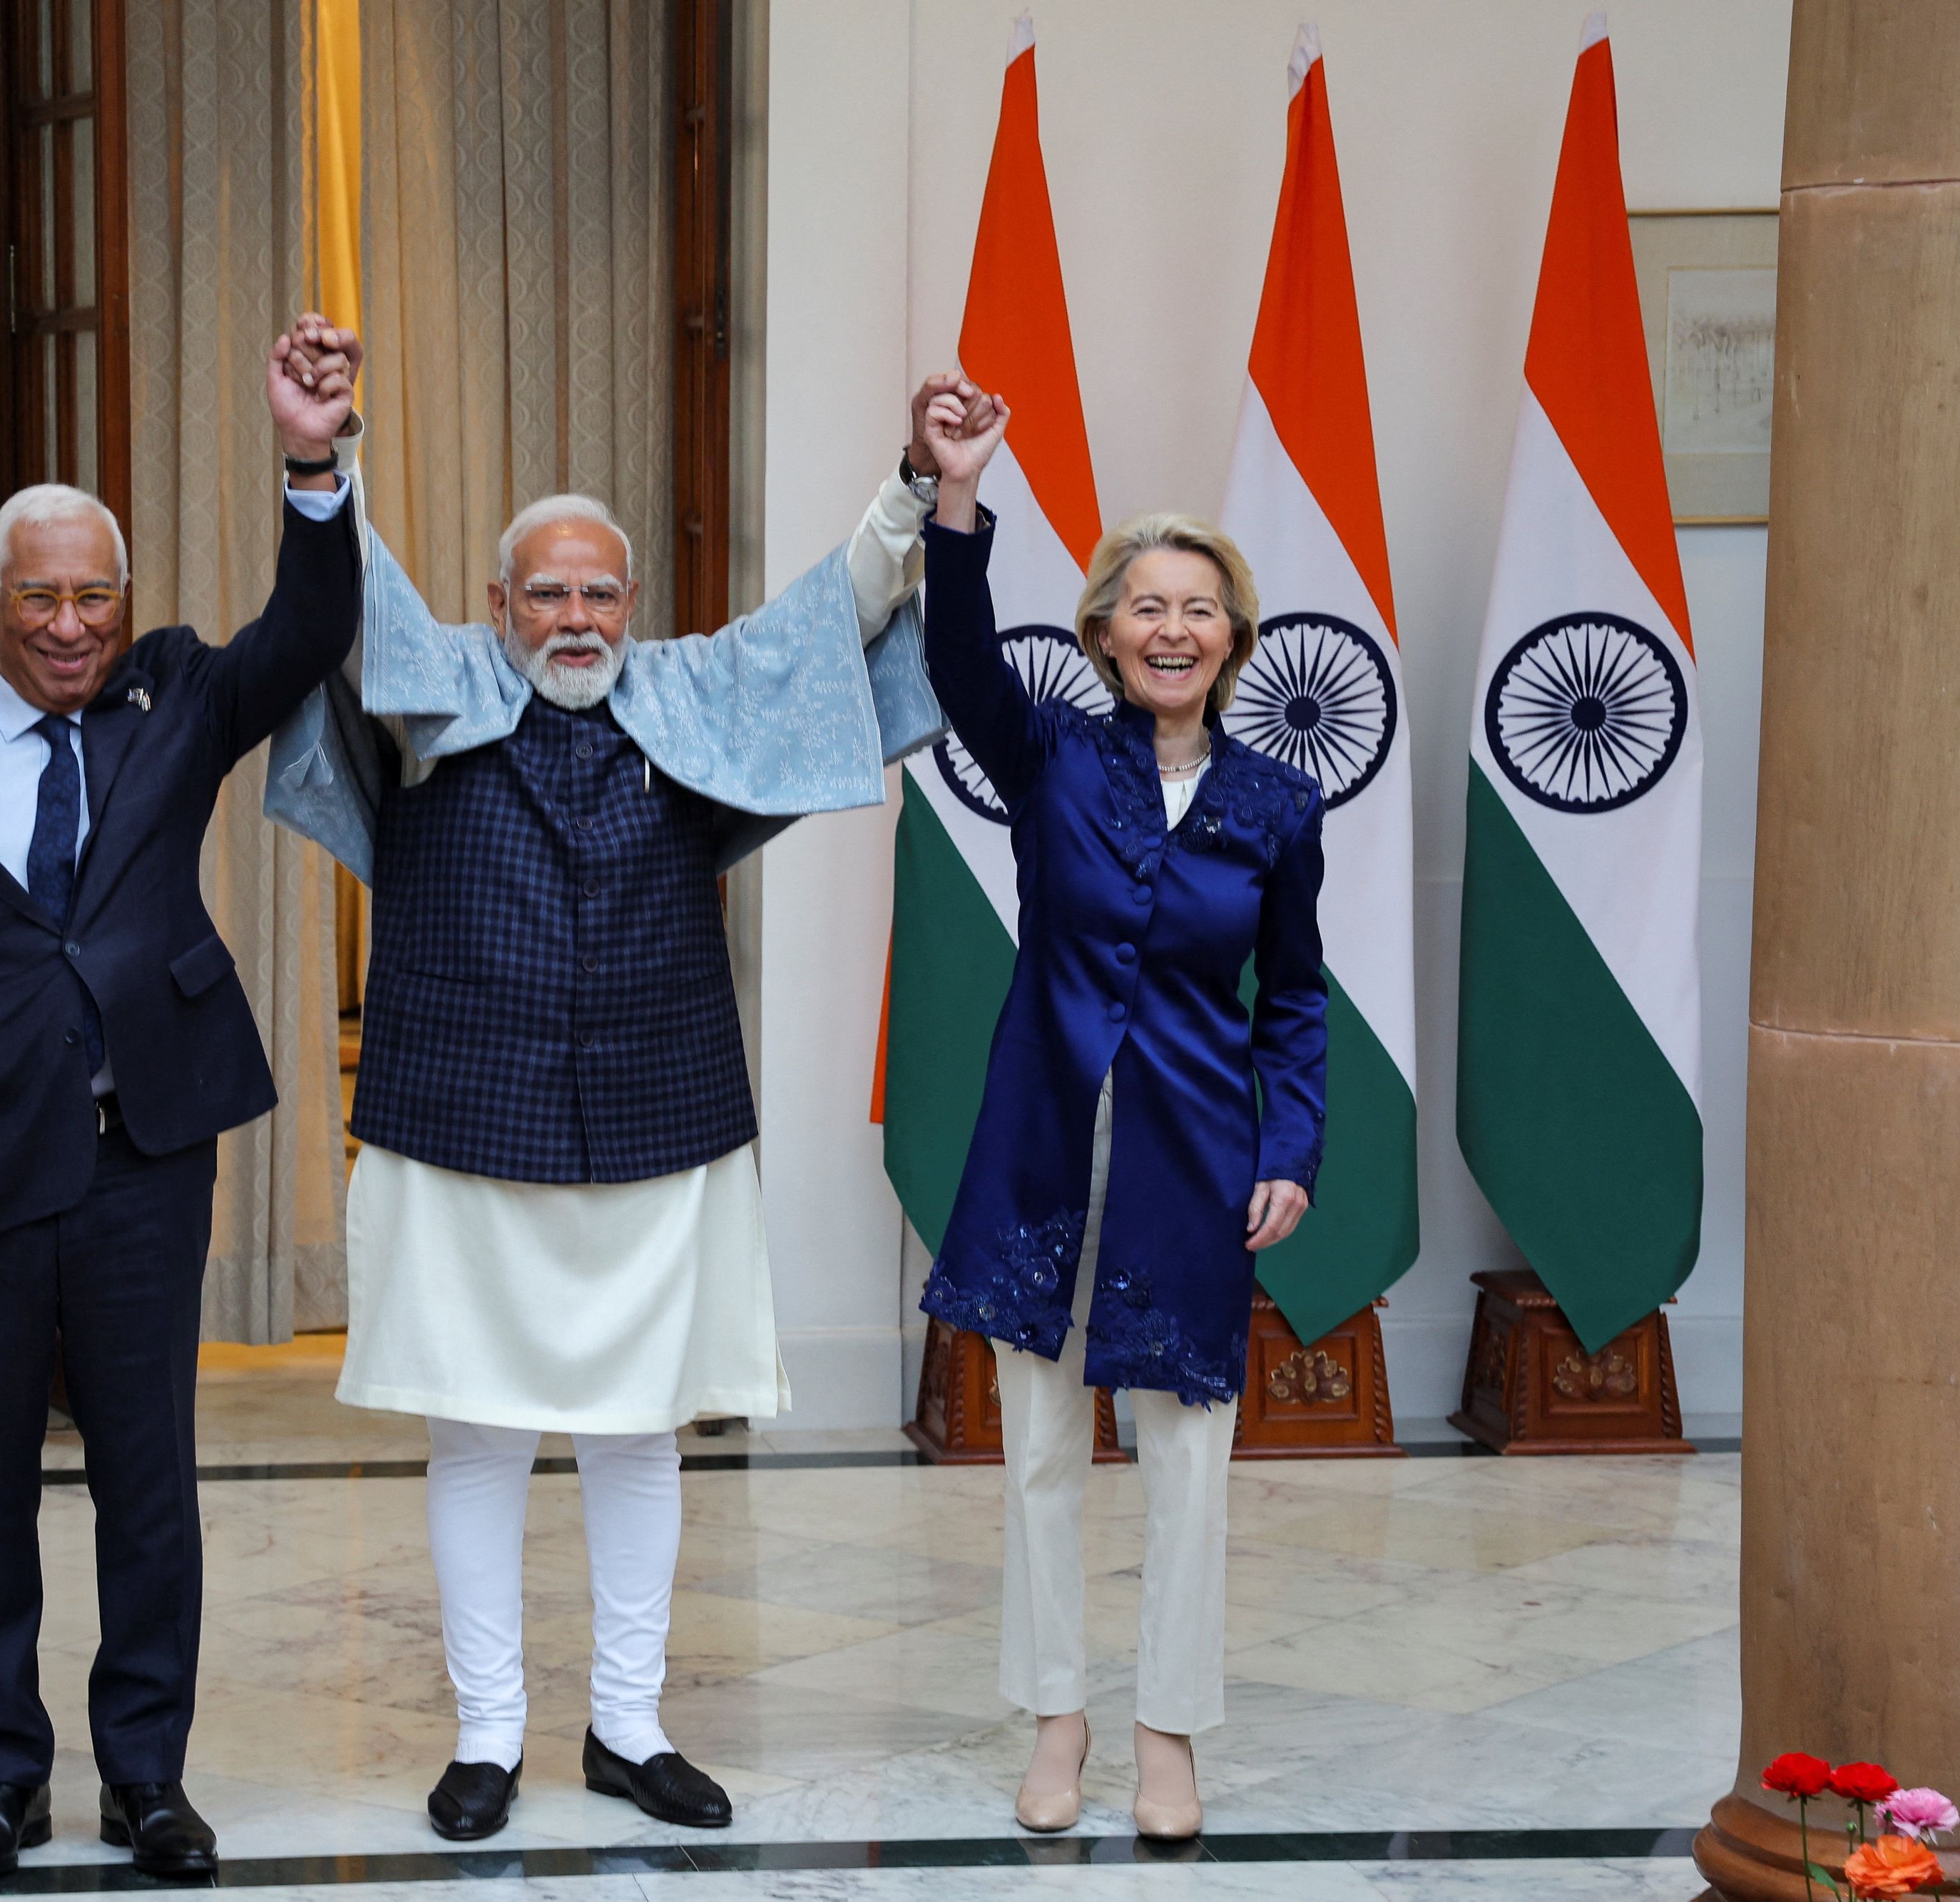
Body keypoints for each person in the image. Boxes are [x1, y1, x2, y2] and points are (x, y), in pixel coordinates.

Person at [264, 344, 955, 1842]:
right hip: (459, 1118)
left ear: (626, 608)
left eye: (597, 593)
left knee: (642, 1429)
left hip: (662, 1118)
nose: (572, 617)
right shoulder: (435, 682)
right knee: (477, 1431)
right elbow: (350, 597)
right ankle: (488, 1737)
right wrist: (320, 467)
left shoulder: (695, 694)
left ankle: (627, 1727)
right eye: (544, 593)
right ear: (501, 605)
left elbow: (826, 623)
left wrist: (911, 491)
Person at [0, 320, 363, 1878]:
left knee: (147, 1482)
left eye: (94, 593)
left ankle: (143, 1780)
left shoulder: (175, 697)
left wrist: (310, 456)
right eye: (39, 595)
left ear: (126, 601)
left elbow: (309, 627)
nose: (70, 623)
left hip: (141, 1160)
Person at [908, 383, 1327, 1839]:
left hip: (1195, 1153)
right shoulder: (1052, 761)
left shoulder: (1277, 805)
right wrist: (954, 499)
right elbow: (959, 664)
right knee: (1034, 1447)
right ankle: (1056, 1717)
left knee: (1187, 1462)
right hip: (1041, 1145)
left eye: (1195, 607)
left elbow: (1294, 1000)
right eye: (1142, 604)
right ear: (1099, 634)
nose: (1168, 627)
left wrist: (1290, 1148)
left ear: (1231, 639)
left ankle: (1165, 1733)